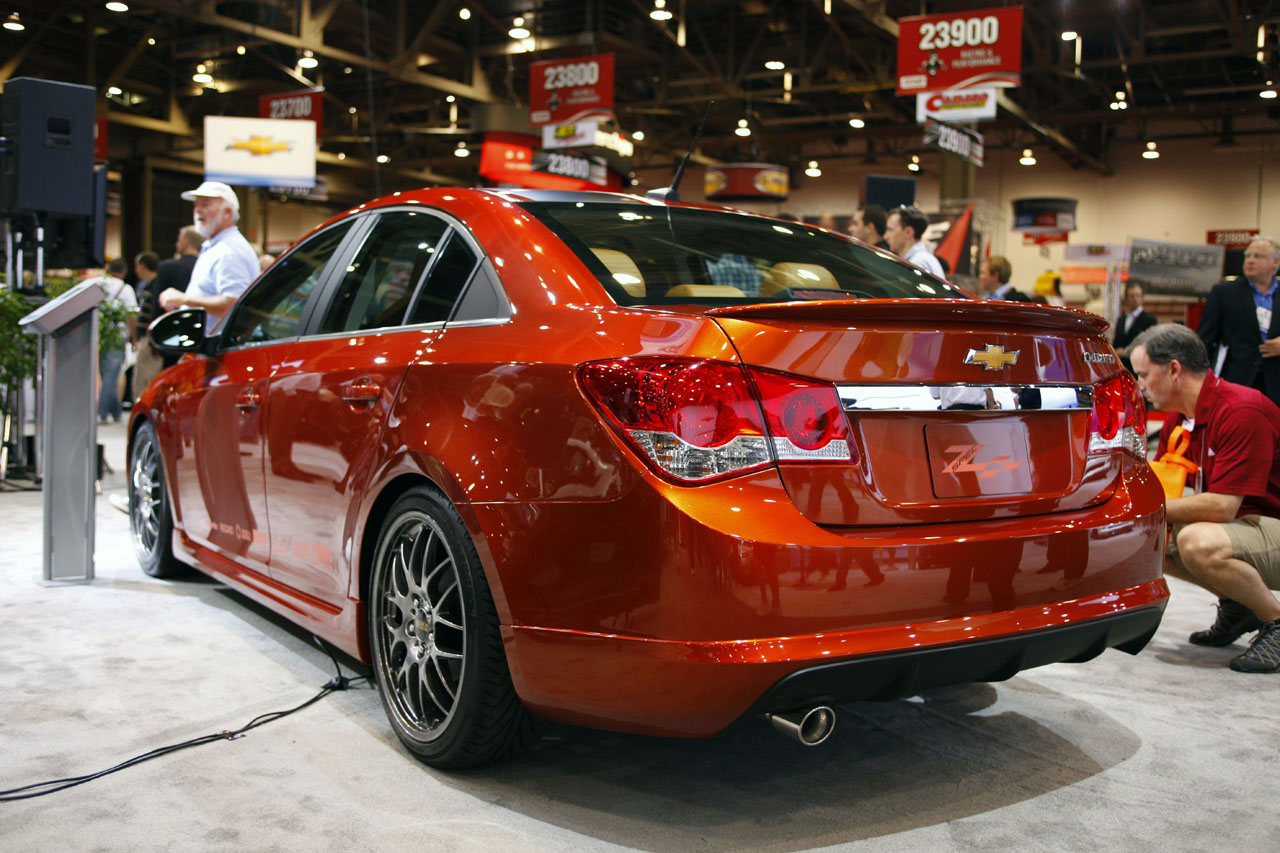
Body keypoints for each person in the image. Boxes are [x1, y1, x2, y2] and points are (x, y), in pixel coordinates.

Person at [1129, 323, 1280, 673]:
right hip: (1249, 525)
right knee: (1149, 540)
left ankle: (1275, 620)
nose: (1139, 385)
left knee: (1197, 542)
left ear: (1174, 369)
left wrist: (1138, 510)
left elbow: (1223, 507)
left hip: (1268, 523)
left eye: (1143, 374)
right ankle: (1240, 605)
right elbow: (1165, 492)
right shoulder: (1179, 421)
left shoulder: (1242, 411)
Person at [158, 182, 260, 330]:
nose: (198, 210)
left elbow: (234, 303)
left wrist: (184, 299)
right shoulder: (217, 246)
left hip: (220, 343)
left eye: (205, 204)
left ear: (227, 212)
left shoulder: (229, 250)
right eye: (196, 205)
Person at [1196, 236, 1280, 408]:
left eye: (1258, 256)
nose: (1250, 260)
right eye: (1247, 256)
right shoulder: (1224, 292)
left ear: (1275, 262)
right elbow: (1204, 340)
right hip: (1237, 381)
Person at [84, 258, 137, 422]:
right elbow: (131, 315)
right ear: (124, 272)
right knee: (111, 374)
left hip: (97, 333)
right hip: (117, 335)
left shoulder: (97, 284)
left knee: (105, 373)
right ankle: (102, 412)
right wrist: (134, 337)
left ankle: (115, 411)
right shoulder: (126, 289)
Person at [883, 205, 944, 278]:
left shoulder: (918, 263)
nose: (885, 237)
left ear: (908, 232)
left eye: (890, 230)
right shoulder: (921, 259)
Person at [1112, 282, 1157, 373]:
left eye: (1137, 295)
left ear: (1142, 298)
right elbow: (1116, 341)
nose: (1135, 299)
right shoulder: (1121, 320)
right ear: (1127, 298)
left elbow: (1150, 345)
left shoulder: (1150, 320)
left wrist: (1125, 352)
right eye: (1131, 296)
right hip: (1121, 368)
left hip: (1139, 369)